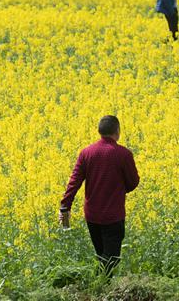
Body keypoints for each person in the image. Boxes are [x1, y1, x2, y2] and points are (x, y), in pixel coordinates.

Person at [59, 116, 140, 277]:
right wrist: (119, 189)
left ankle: (100, 287)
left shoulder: (86, 153)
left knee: (103, 256)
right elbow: (133, 182)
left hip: (92, 216)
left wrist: (64, 206)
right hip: (113, 216)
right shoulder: (123, 154)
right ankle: (93, 284)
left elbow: (74, 181)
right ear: (117, 131)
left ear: (99, 131)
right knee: (112, 259)